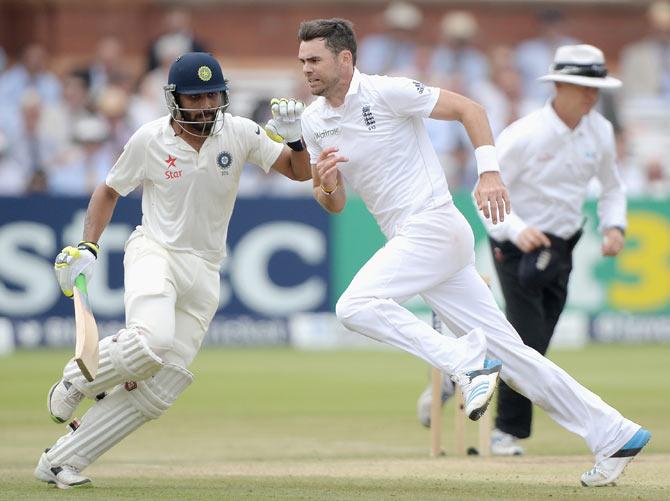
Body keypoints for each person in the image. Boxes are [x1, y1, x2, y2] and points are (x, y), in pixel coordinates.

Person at [296, 18, 650, 487]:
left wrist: (489, 173)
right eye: (302, 61)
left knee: (354, 306)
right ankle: (615, 433)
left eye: (315, 60)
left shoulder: (387, 92)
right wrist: (325, 185)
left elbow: (471, 108)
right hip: (415, 240)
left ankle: (465, 362)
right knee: (517, 359)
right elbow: (335, 203)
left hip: (434, 225)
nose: (307, 70)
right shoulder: (313, 120)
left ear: (345, 59)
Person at [33, 52, 311, 489]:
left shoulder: (239, 131)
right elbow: (109, 191)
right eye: (194, 97)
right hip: (155, 251)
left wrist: (297, 140)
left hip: (205, 269)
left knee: (161, 386)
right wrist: (88, 244)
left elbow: (299, 172)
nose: (204, 106)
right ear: (174, 98)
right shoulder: (149, 139)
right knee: (151, 343)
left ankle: (61, 462)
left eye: (211, 95)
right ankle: (74, 381)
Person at [480, 44, 629, 456]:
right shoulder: (523, 135)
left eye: (595, 87)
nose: (591, 95)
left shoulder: (599, 131)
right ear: (559, 85)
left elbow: (612, 186)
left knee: (537, 343)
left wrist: (614, 224)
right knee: (526, 342)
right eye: (583, 87)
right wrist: (515, 229)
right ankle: (506, 432)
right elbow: (485, 195)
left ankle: (473, 364)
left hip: (561, 247)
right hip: (515, 247)